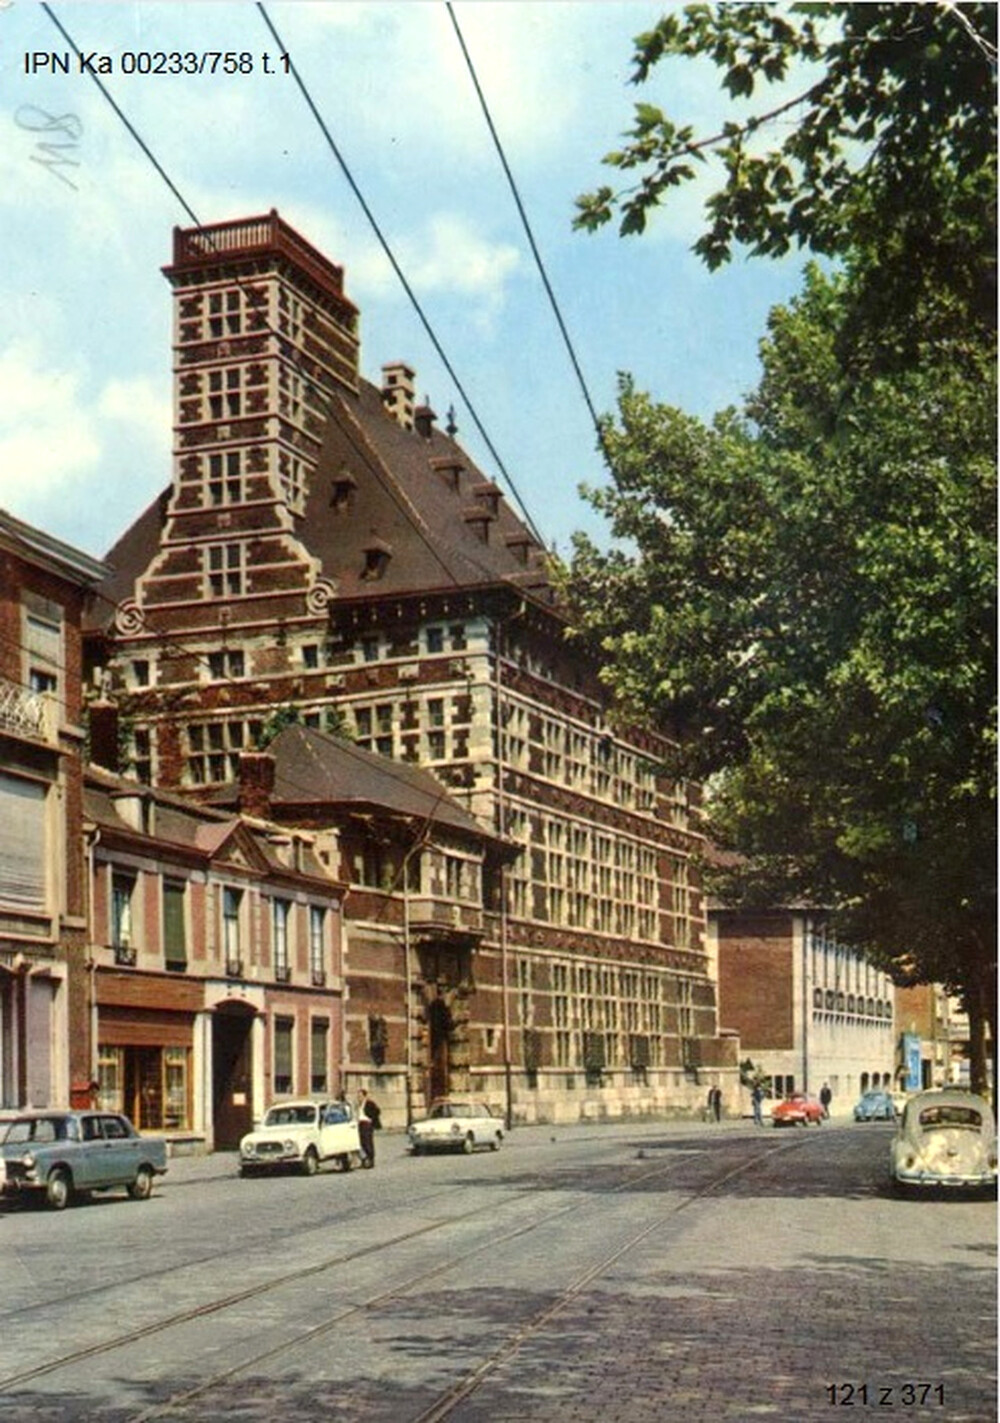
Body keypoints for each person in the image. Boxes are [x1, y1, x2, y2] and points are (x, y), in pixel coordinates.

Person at [356, 1088, 381, 1167]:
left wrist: (371, 1118)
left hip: (367, 1124)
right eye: (358, 1096)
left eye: (360, 1095)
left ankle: (371, 1160)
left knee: (368, 1142)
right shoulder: (359, 1104)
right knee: (362, 1142)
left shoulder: (369, 1103)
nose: (359, 1097)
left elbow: (377, 1111)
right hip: (360, 1123)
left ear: (364, 1095)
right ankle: (365, 1159)